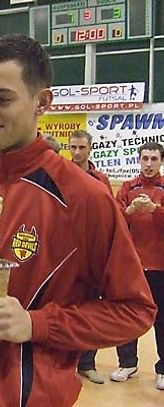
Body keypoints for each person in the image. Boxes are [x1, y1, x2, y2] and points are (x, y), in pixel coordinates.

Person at [0, 33, 156, 407]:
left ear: (42, 102)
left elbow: (134, 310)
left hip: (29, 397)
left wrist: (37, 324)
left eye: (3, 98)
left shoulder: (85, 198)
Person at [110, 142, 164, 390]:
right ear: (139, 160)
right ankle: (127, 362)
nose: (149, 164)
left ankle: (163, 369)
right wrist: (130, 210)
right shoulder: (128, 188)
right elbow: (113, 220)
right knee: (127, 315)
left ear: (161, 161)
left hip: (161, 267)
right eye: (145, 158)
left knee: (162, 320)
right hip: (131, 265)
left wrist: (156, 210)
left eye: (154, 159)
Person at [69, 129, 112, 385]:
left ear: (90, 149)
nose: (76, 152)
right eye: (73, 147)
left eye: (81, 148)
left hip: (92, 255)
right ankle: (64, 363)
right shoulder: (60, 175)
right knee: (65, 308)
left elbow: (109, 216)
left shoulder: (101, 180)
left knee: (91, 310)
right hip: (65, 255)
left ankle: (87, 363)